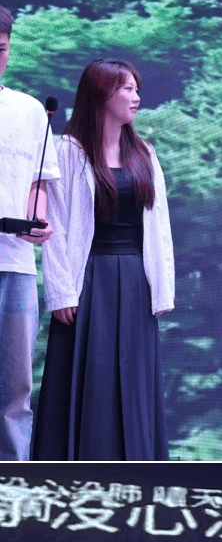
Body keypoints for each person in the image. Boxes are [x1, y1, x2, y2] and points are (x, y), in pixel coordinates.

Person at [34, 59, 173, 460]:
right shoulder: (69, 151)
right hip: (89, 278)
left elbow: (160, 227)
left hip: (136, 279)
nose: (136, 97)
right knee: (89, 378)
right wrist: (61, 291)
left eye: (136, 89)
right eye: (127, 89)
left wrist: (162, 289)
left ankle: (141, 472)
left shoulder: (144, 152)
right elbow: (57, 224)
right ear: (101, 94)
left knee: (136, 379)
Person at [0, 5, 59, 461]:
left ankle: (14, 482)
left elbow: (38, 181)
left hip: (15, 263)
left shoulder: (29, 110)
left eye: (0, 48)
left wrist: (37, 221)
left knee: (15, 385)